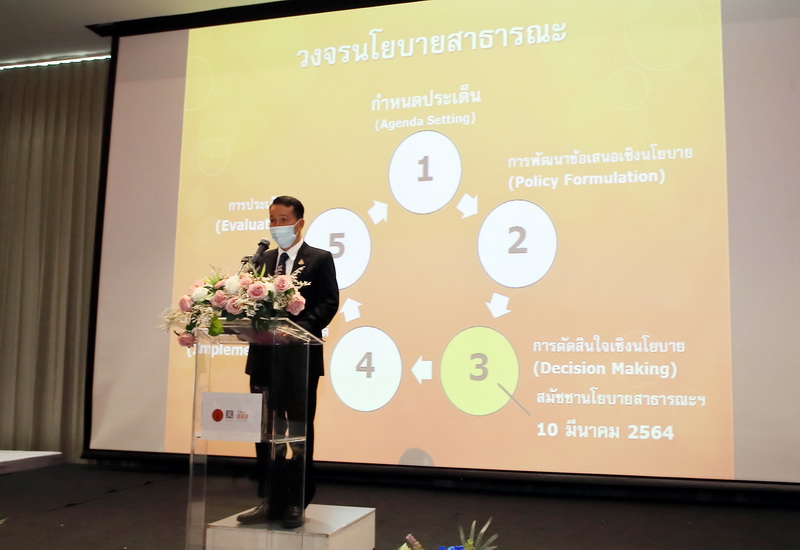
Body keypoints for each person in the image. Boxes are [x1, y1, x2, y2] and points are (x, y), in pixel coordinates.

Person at [236, 196, 339, 528]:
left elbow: (328, 303)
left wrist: (298, 330)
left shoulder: (319, 259)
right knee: (266, 431)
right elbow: (247, 303)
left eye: (283, 219)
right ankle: (269, 500)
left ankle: (296, 501)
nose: (277, 226)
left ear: (299, 223)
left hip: (299, 359)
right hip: (263, 359)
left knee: (296, 431)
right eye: (272, 219)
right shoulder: (262, 261)